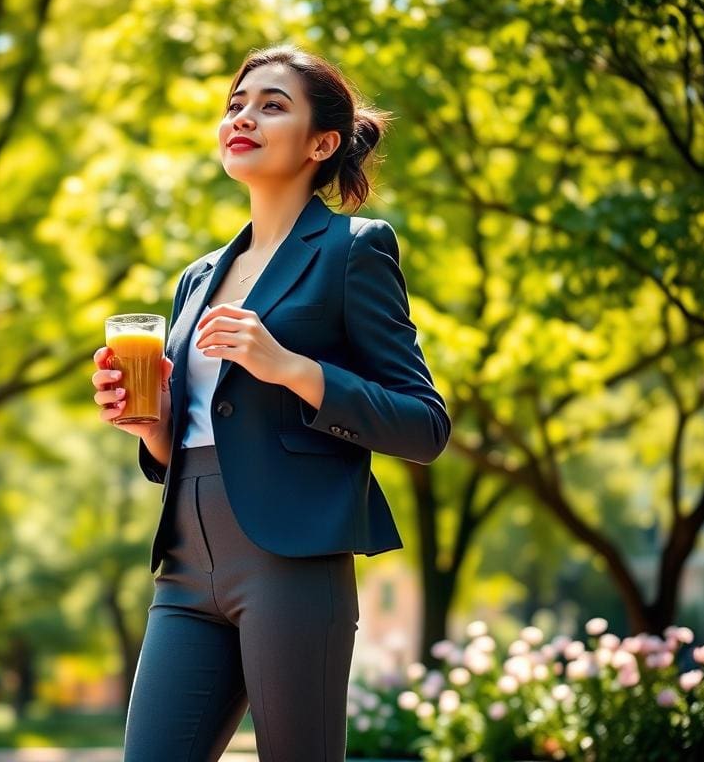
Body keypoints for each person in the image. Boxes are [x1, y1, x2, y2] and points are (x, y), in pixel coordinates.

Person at [92, 44, 450, 762]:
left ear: (323, 143)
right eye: (236, 104)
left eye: (270, 105)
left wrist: (291, 367)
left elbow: (425, 424)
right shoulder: (197, 278)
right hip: (186, 565)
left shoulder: (354, 250)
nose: (242, 117)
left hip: (292, 559)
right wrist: (148, 423)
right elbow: (192, 435)